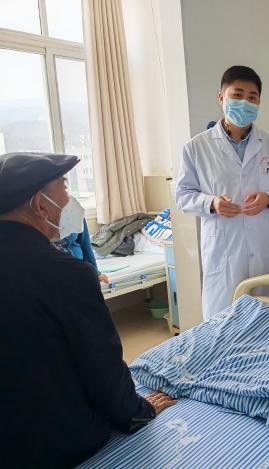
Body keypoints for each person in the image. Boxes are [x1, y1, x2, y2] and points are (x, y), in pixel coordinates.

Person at [0, 152, 176, 468]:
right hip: (55, 443)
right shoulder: (65, 274)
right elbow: (101, 366)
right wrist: (138, 412)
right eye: (65, 187)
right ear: (40, 205)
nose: (71, 201)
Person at [176, 65, 269, 320]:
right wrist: (211, 203)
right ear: (221, 97)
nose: (245, 102)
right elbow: (183, 196)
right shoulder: (196, 147)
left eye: (252, 97)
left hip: (265, 246)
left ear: (259, 102)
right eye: (237, 95)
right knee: (224, 323)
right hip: (224, 250)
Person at [54, 218, 110, 283]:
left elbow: (85, 245)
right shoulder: (48, 219)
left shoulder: (77, 214)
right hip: (59, 269)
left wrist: (95, 272)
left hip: (79, 267)